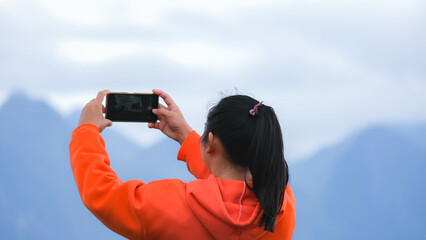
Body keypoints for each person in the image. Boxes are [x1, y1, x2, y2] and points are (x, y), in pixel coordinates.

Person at [69, 89, 296, 240]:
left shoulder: (171, 206)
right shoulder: (279, 204)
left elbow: (103, 195)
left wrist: (86, 132)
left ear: (212, 143)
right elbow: (231, 184)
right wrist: (186, 137)